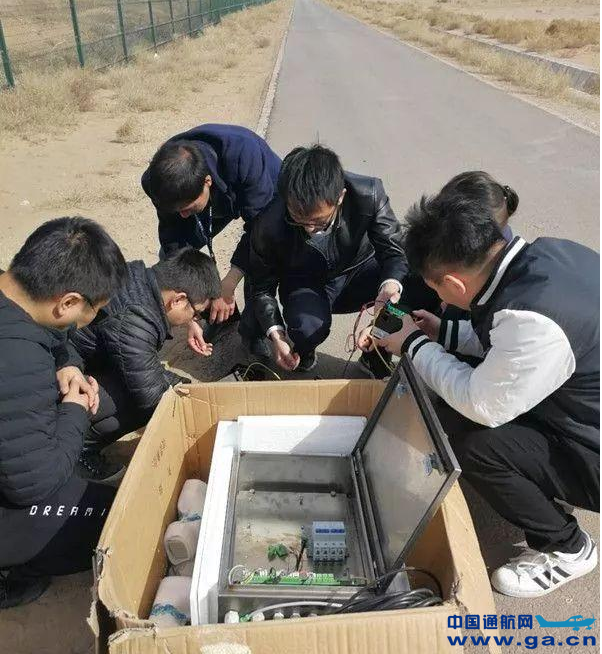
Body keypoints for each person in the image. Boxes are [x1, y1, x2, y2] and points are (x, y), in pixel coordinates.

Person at [373, 172, 599, 598]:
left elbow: (482, 404)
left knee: (471, 440)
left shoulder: (532, 321)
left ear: (453, 283)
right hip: (583, 407)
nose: (441, 299)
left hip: (593, 449)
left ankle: (568, 548)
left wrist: (414, 345)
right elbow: (507, 338)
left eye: (437, 288)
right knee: (453, 389)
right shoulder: (545, 256)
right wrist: (443, 333)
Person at [0, 217, 127, 609]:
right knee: (116, 519)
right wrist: (74, 410)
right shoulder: (17, 359)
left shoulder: (15, 297)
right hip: (22, 484)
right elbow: (33, 485)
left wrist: (67, 363)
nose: (87, 322)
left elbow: (55, 333)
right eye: (93, 311)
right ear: (68, 302)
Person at [241, 144, 439, 376]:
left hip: (362, 270)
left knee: (423, 282)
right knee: (307, 328)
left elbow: (395, 250)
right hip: (306, 282)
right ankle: (304, 350)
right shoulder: (268, 225)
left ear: (340, 197)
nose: (310, 229)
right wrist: (276, 335)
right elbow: (261, 287)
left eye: (319, 221)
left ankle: (375, 351)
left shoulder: (369, 193)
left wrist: (390, 284)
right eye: (299, 220)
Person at [70, 247, 221, 481]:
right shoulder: (135, 318)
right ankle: (78, 451)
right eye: (196, 314)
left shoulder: (140, 280)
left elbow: (142, 364)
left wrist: (186, 386)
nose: (194, 320)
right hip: (59, 384)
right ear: (178, 300)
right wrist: (198, 403)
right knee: (146, 402)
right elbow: (151, 394)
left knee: (156, 384)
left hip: (85, 362)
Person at [141, 123, 281, 353]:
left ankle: (253, 331)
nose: (182, 215)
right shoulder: (156, 182)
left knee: (260, 259)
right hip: (207, 195)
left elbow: (259, 231)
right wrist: (190, 316)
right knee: (181, 260)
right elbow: (174, 240)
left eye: (187, 208)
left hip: (261, 190)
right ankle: (218, 317)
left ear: (207, 181)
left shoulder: (245, 156)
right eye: (177, 210)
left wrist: (228, 283)